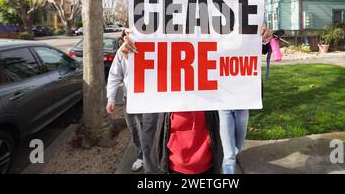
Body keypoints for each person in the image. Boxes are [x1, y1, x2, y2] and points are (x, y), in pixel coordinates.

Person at [119, 33, 223, 174]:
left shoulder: (211, 73)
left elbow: (238, 80)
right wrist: (132, 58)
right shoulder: (159, 88)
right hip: (170, 167)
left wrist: (255, 37)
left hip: (208, 166)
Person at [219, 25, 273, 174]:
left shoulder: (250, 19)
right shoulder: (213, 22)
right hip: (223, 99)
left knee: (238, 145)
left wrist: (265, 37)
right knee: (229, 155)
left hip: (243, 97)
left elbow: (262, 48)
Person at [105, 30, 159, 173]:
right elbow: (114, 75)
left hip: (150, 100)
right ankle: (142, 156)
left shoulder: (156, 47)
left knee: (147, 134)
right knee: (135, 131)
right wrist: (111, 99)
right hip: (129, 100)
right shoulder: (122, 52)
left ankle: (150, 167)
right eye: (128, 33)